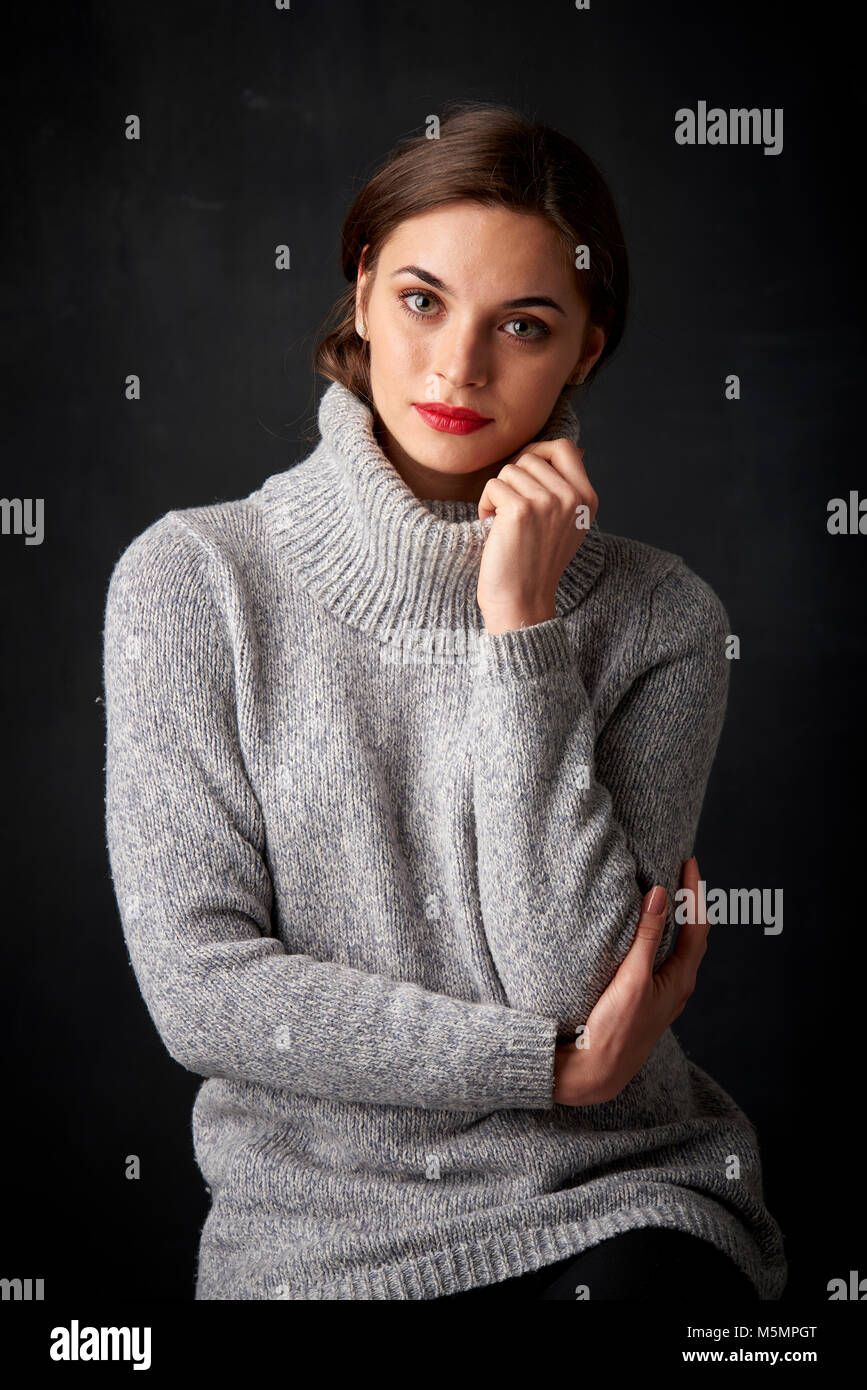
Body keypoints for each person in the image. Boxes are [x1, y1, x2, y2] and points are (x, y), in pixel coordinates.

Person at [102, 101, 787, 1301]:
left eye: (523, 325)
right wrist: (543, 1068)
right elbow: (204, 988)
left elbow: (575, 988)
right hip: (313, 1237)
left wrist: (519, 623)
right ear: (361, 291)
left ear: (585, 348)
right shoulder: (193, 582)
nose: (458, 367)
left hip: (612, 1202)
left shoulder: (665, 618)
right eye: (423, 299)